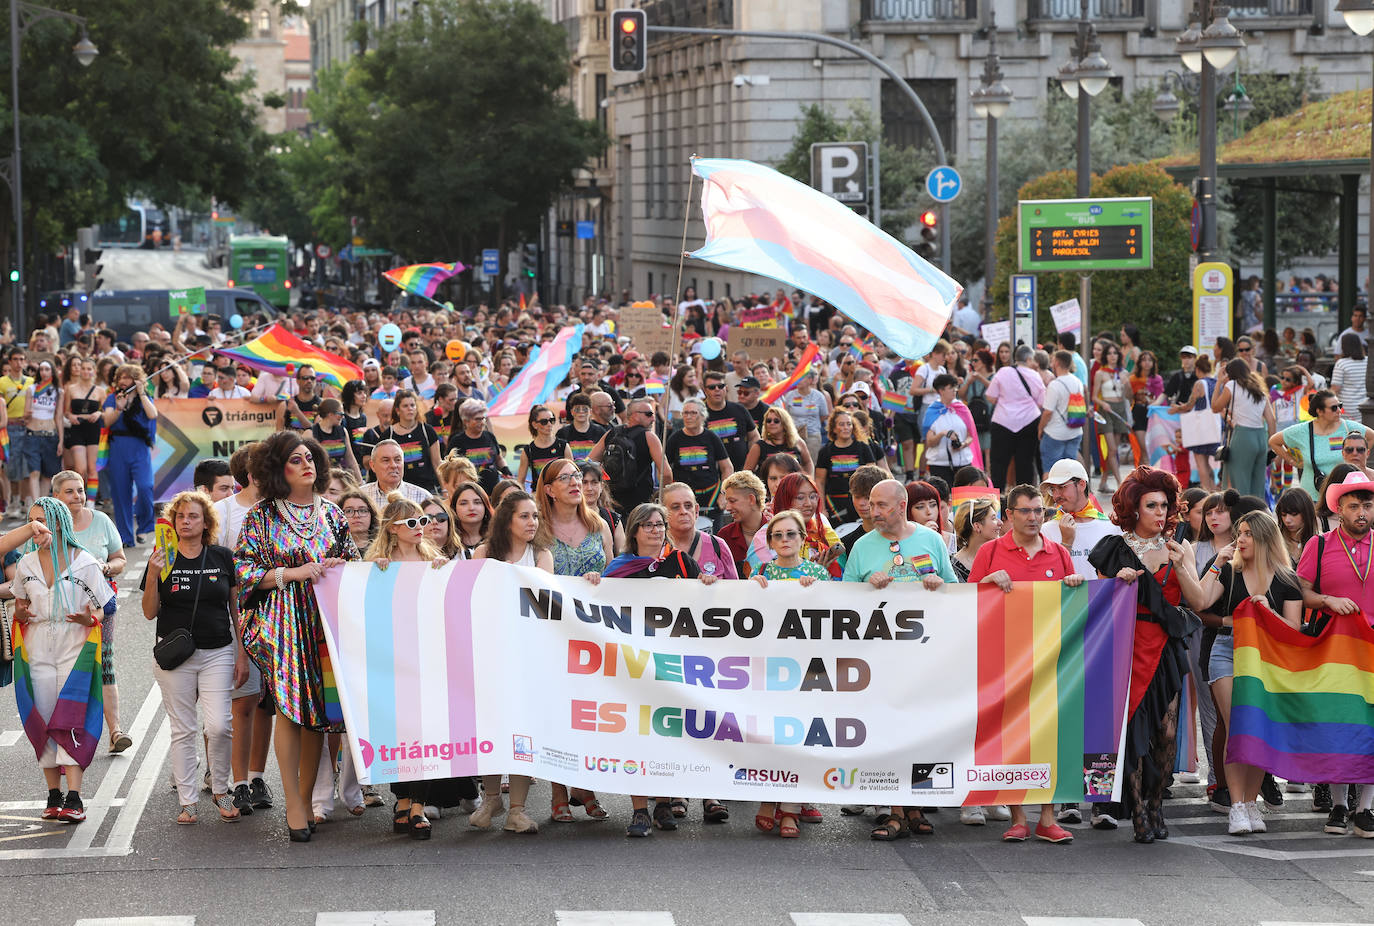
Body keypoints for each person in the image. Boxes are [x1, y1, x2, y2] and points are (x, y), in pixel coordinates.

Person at [235, 431, 360, 842]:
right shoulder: (261, 516)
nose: (307, 464)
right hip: (282, 622)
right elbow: (243, 571)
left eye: (310, 457)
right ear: (277, 469)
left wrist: (345, 565)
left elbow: (355, 565)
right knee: (290, 708)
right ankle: (292, 804)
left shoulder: (333, 515)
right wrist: (292, 573)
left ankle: (305, 798)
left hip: (325, 620)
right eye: (295, 459)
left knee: (318, 716)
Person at [965, 483, 1081, 843]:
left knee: (1047, 734)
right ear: (1009, 515)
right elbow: (966, 601)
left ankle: (1047, 818)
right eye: (1026, 511)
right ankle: (1018, 816)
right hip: (1004, 660)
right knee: (1010, 736)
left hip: (1049, 661)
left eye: (1039, 511)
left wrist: (1075, 583)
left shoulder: (1059, 552)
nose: (1034, 518)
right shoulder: (990, 551)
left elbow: (1071, 604)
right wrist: (985, 581)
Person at [600, 502, 720, 837]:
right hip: (634, 665)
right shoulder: (619, 569)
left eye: (660, 525)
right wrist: (592, 582)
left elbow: (707, 601)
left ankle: (664, 803)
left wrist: (708, 583)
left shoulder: (681, 561)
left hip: (673, 665)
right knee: (636, 734)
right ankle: (639, 810)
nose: (656, 531)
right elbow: (599, 605)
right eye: (648, 525)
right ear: (635, 530)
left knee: (668, 732)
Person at [842, 479, 952, 841]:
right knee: (886, 732)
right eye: (871, 504)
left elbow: (956, 592)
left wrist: (938, 583)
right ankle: (892, 811)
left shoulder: (931, 540)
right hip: (878, 662)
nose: (873, 511)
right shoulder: (861, 546)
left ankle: (916, 806)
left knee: (920, 733)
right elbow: (840, 601)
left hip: (923, 660)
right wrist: (863, 586)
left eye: (882, 505)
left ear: (902, 505)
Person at [1187, 510, 1303, 835]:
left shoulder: (1286, 580)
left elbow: (1294, 629)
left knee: (1257, 730)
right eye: (1241, 533)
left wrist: (1268, 612)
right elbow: (1200, 600)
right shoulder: (1231, 573)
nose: (1241, 538)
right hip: (1226, 650)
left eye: (1249, 533)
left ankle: (1251, 802)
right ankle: (1236, 805)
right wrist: (1217, 563)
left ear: (1265, 537)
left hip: (1267, 658)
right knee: (1237, 724)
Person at [141, 490, 246, 824]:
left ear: (206, 523)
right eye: (180, 516)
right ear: (172, 522)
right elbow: (148, 613)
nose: (185, 522)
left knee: (219, 726)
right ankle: (188, 801)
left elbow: (236, 609)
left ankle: (221, 789)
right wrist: (154, 577)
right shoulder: (161, 557)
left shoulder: (222, 557)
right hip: (175, 656)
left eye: (193, 516)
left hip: (218, 651)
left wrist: (242, 654)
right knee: (182, 729)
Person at [11, 498, 110, 824]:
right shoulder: (26, 564)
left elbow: (104, 607)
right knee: (44, 721)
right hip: (37, 653)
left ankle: (75, 797)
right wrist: (22, 612)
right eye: (32, 520)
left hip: (74, 653)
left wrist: (89, 619)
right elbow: (20, 603)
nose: (36, 527)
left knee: (71, 720)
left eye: (42, 520)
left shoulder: (86, 563)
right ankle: (53, 795)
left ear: (59, 523)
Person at [532, 459, 612, 823]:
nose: (575, 483)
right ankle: (557, 791)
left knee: (589, 714)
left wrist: (601, 580)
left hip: (594, 636)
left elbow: (616, 576)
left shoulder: (600, 524)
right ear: (548, 489)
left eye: (577, 477)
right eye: (565, 478)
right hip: (552, 634)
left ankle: (585, 784)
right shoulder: (538, 529)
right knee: (556, 713)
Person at [1296, 470, 1374, 837]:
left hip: (1372, 652)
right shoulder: (1320, 544)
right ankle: (1340, 805)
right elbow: (1303, 593)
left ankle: (1366, 808)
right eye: (1354, 505)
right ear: (1339, 509)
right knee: (1340, 726)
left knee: (1371, 727)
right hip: (1333, 651)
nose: (1361, 512)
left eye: (1367, 505)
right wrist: (1328, 600)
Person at [470, 490, 550, 835]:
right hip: (489, 653)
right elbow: (470, 598)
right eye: (524, 516)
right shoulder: (482, 554)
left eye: (535, 516)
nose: (532, 522)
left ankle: (517, 809)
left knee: (521, 731)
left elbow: (546, 602)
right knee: (490, 729)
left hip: (527, 656)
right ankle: (491, 797)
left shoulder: (542, 555)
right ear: (507, 519)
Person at [749, 507, 830, 839]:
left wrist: (815, 591)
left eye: (791, 534)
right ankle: (769, 799)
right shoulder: (760, 572)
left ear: (803, 538)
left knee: (800, 736)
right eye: (777, 535)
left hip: (809, 669)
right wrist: (752, 588)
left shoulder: (819, 575)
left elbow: (833, 620)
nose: (784, 540)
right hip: (771, 669)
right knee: (771, 736)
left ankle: (791, 810)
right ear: (769, 541)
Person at [42, 472, 129, 754]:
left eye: (80, 490)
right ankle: (67, 734)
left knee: (104, 665)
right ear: (55, 496)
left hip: (101, 606)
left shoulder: (101, 521)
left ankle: (115, 732)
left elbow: (120, 560)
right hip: (60, 611)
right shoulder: (44, 528)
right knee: (65, 670)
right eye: (69, 492)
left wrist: (106, 567)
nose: (77, 496)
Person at [213, 446, 277, 814]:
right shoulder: (224, 511)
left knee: (265, 704)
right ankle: (235, 781)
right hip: (236, 615)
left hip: (276, 614)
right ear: (250, 474)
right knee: (242, 703)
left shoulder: (278, 508)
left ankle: (256, 775)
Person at [1270, 390, 1374, 505]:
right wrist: (1292, 461)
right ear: (1320, 411)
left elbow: (1372, 436)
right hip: (1312, 497)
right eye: (1334, 408)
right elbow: (1274, 441)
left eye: (1340, 406)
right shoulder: (1303, 430)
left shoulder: (1347, 426)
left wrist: (1358, 457)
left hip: (1343, 495)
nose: (1339, 411)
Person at [100, 364, 158, 547]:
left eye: (128, 378)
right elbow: (107, 421)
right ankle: (125, 537)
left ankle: (144, 526)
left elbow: (152, 414)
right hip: (118, 447)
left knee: (145, 487)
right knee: (120, 493)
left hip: (139, 447)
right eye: (121, 378)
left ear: (136, 379)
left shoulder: (144, 397)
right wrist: (119, 408)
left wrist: (141, 393)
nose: (124, 381)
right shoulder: (112, 398)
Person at [1040, 458, 1122, 581]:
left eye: (1062, 487)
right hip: (1064, 600)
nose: (1056, 495)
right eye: (1053, 489)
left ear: (1081, 484)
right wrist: (1066, 543)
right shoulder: (1045, 531)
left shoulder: (1112, 527)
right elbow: (1045, 578)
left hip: (1102, 600)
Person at [589, 398, 673, 515]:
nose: (653, 418)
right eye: (649, 414)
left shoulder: (612, 433)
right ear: (634, 415)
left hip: (612, 501)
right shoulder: (649, 437)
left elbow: (589, 462)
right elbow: (666, 473)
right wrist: (662, 499)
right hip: (642, 504)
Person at [1212, 358, 1276, 499]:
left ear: (1230, 373)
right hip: (1261, 437)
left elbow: (1215, 407)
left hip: (1243, 436)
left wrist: (1218, 382)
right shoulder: (1259, 389)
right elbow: (1271, 420)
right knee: (1258, 485)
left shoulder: (1232, 385)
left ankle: (1242, 517)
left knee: (1241, 484)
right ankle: (1258, 517)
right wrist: (1271, 446)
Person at [986, 345, 1045, 490]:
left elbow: (991, 397)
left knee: (998, 464)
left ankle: (996, 499)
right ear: (1029, 358)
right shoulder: (1035, 375)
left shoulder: (1003, 372)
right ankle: (1023, 499)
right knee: (1025, 463)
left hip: (1002, 422)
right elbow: (1042, 401)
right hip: (1029, 422)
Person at [815, 409, 878, 527]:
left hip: (861, 503)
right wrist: (822, 508)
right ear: (834, 428)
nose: (846, 427)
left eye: (848, 424)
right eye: (841, 424)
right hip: (834, 504)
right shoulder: (825, 451)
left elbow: (873, 479)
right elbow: (820, 481)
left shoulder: (863, 448)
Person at [662, 482, 737, 581]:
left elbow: (735, 589)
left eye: (688, 506)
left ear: (696, 510)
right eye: (676, 507)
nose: (683, 511)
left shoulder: (718, 545)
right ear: (663, 513)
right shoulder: (655, 547)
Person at [1169, 354, 1221, 493]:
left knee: (1201, 462)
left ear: (1197, 369)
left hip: (1201, 430)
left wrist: (1177, 409)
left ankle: (1206, 490)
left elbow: (1189, 405)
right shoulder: (1216, 382)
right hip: (1214, 427)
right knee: (1209, 461)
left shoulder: (1200, 383)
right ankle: (1213, 489)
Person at [62, 357, 104, 505]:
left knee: (93, 468)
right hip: (77, 428)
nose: (85, 371)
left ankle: (91, 502)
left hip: (93, 429)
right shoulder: (71, 389)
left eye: (89, 369)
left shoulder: (100, 391)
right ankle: (80, 497)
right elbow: (66, 411)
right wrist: (71, 416)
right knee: (80, 469)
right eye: (83, 368)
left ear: (94, 371)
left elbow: (105, 412)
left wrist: (98, 413)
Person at [701, 370, 758, 473]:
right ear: (705, 390)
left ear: (726, 388)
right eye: (712, 387)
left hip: (742, 471)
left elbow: (754, 437)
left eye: (720, 386)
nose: (717, 390)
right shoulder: (699, 414)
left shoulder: (739, 409)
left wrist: (751, 462)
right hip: (712, 475)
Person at [1039, 350, 1086, 473]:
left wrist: (1040, 428)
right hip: (1075, 432)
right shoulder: (1077, 382)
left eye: (1053, 360)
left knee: (1051, 471)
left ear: (1057, 363)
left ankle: (1048, 493)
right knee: (1069, 472)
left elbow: (1048, 412)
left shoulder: (1055, 385)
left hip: (1055, 433)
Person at [446, 399, 508, 490]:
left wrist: (505, 469)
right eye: (477, 419)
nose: (482, 422)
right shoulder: (457, 441)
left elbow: (499, 459)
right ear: (466, 421)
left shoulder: (489, 436)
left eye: (483, 418)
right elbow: (450, 468)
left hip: (493, 491)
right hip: (470, 491)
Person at [1093, 344, 1130, 493]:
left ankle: (1103, 482)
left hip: (1120, 408)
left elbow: (1129, 395)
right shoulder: (1100, 373)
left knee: (1113, 451)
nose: (1113, 356)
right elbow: (1094, 396)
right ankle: (1120, 483)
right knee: (1112, 448)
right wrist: (1103, 403)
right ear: (1105, 356)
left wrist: (1126, 383)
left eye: (1115, 353)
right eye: (1110, 353)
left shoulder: (1124, 373)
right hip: (1106, 409)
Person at [718, 470, 767, 578]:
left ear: (751, 499)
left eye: (732, 501)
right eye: (727, 502)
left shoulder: (777, 531)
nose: (728, 508)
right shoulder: (724, 535)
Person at [2, 347, 33, 515]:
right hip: (10, 429)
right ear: (9, 361)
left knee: (28, 466)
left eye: (22, 359)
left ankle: (27, 502)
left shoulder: (31, 382)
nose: (19, 363)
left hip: (28, 428)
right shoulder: (2, 382)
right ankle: (13, 502)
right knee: (12, 466)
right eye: (15, 359)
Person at [742, 406, 812, 478]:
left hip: (794, 486)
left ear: (785, 424)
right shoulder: (758, 446)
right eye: (768, 421)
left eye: (776, 421)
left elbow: (808, 463)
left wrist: (807, 478)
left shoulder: (798, 443)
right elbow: (747, 472)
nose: (772, 423)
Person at [515, 403, 571, 489]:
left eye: (552, 420)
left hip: (562, 495)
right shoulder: (528, 450)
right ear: (534, 425)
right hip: (539, 496)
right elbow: (520, 481)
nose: (549, 424)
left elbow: (572, 474)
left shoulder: (563, 446)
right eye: (544, 422)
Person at [362, 439, 431, 508]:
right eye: (386, 460)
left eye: (397, 460)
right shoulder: (361, 496)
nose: (393, 465)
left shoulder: (423, 497)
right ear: (373, 466)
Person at [310, 398, 362, 481]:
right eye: (340, 413)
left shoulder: (343, 431)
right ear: (330, 414)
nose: (343, 416)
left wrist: (360, 482)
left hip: (338, 477)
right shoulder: (311, 433)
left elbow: (351, 460)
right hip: (319, 479)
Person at [557, 393, 608, 463]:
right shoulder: (563, 433)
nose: (581, 412)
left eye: (585, 409)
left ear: (590, 411)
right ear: (572, 412)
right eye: (577, 409)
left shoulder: (600, 432)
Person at [1330, 333, 1369, 421]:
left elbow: (1335, 389)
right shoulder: (1368, 361)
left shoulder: (1341, 363)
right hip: (1365, 409)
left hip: (1347, 410)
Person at [449, 480, 492, 557]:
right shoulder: (447, 540)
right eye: (463, 503)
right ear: (454, 508)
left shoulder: (497, 537)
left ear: (485, 506)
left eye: (477, 502)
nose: (471, 508)